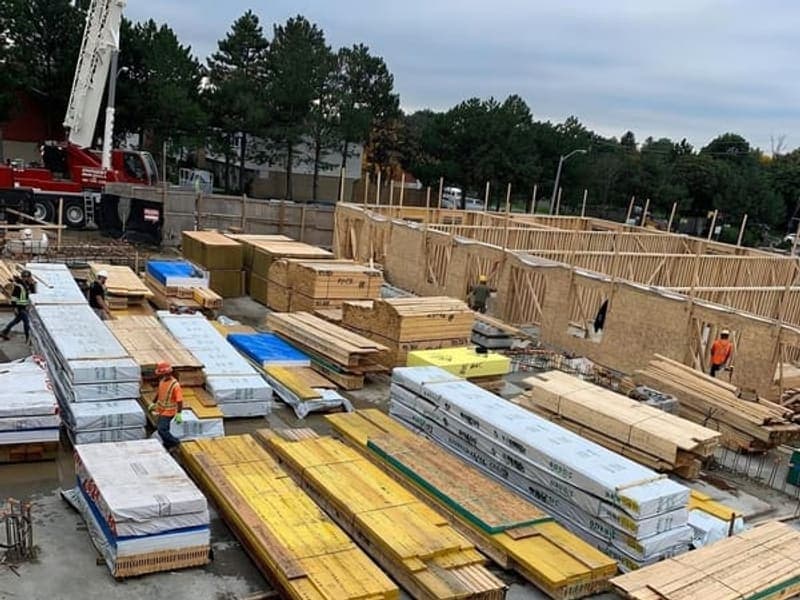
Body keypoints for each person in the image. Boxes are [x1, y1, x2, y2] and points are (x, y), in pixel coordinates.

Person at [148, 362, 183, 450]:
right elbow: (159, 392)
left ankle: (176, 443)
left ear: (169, 373)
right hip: (161, 409)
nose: (163, 376)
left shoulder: (175, 385)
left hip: (169, 411)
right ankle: (167, 445)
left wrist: (179, 413)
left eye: (165, 374)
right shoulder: (162, 381)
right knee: (163, 429)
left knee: (162, 429)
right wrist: (153, 403)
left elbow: (179, 400)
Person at [1, 270, 36, 342]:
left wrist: (33, 285)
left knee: (16, 320)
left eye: (28, 277)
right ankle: (28, 338)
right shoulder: (18, 286)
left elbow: (32, 294)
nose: (26, 279)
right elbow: (14, 298)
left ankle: (4, 332)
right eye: (25, 277)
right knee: (26, 322)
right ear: (23, 277)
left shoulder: (28, 285)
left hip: (25, 307)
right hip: (20, 307)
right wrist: (15, 308)